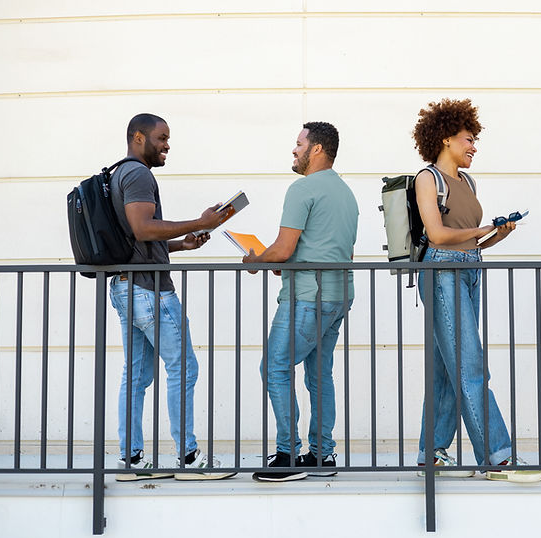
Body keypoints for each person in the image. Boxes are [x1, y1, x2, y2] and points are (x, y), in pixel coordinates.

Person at [413, 99, 541, 483]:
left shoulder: (468, 182)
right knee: (470, 365)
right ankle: (497, 457)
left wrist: (496, 235)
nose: (473, 147)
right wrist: (483, 229)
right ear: (446, 139)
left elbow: (472, 243)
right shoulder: (428, 179)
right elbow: (437, 235)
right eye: (468, 140)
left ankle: (431, 454)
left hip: (469, 270)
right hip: (441, 272)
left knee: (447, 369)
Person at [110, 113, 236, 481]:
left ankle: (131, 461)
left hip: (126, 285)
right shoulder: (137, 174)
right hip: (150, 291)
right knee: (184, 368)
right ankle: (190, 458)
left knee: (134, 375)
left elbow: (138, 240)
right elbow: (142, 227)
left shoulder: (119, 173)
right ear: (138, 137)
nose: (167, 145)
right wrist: (201, 222)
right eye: (161, 138)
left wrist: (182, 243)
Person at [244, 122, 358, 482]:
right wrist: (282, 263)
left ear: (318, 149)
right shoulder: (345, 192)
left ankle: (288, 455)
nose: (294, 151)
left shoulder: (302, 188)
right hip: (338, 295)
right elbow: (318, 247)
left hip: (307, 297)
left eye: (299, 144)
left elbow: (283, 248)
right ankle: (322, 456)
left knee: (274, 368)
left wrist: (256, 261)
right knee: (319, 375)